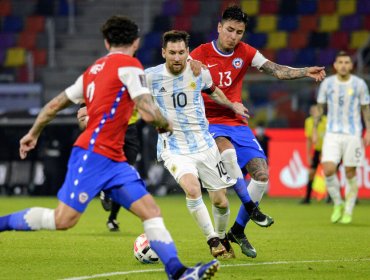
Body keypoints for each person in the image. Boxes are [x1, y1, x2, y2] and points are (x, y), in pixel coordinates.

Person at [0, 16, 220, 280]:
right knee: (63, 220)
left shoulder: (92, 71)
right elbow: (147, 109)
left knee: (150, 211)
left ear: (106, 42)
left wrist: (33, 133)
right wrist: (164, 123)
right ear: (136, 41)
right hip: (92, 155)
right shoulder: (131, 66)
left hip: (115, 159)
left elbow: (55, 104)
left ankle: (178, 272)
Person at [190, 5, 326, 258]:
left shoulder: (246, 52)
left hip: (237, 123)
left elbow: (276, 70)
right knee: (228, 155)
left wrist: (305, 71)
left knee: (262, 174)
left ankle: (238, 231)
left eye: (239, 32)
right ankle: (252, 210)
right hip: (209, 123)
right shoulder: (200, 54)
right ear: (219, 28)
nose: (234, 36)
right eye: (229, 30)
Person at [145, 30, 273, 259]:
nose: (176, 58)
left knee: (220, 201)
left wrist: (233, 105)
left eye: (181, 52)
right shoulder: (150, 76)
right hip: (174, 147)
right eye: (172, 53)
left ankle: (222, 235)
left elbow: (214, 92)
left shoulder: (199, 72)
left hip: (204, 144)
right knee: (192, 189)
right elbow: (119, 90)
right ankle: (213, 240)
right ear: (164, 52)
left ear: (187, 53)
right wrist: (88, 106)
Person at [316, 51, 370, 224]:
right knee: (329, 169)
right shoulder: (327, 84)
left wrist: (368, 130)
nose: (344, 65)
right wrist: (316, 129)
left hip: (353, 134)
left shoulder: (359, 84)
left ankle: (348, 209)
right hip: (332, 133)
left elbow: (365, 109)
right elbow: (320, 107)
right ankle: (338, 203)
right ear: (335, 65)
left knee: (350, 172)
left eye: (347, 62)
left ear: (351, 65)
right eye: (340, 62)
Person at [78, 106, 140, 232]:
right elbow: (83, 109)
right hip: (111, 127)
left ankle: (112, 217)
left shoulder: (138, 86)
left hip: (130, 129)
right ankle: (105, 190)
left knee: (124, 174)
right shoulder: (104, 87)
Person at [300, 104, 327, 204]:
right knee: (311, 173)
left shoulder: (326, 120)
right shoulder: (309, 122)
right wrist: (308, 154)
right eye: (312, 110)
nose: (314, 112)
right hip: (317, 150)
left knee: (330, 173)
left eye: (316, 110)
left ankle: (330, 198)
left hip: (327, 150)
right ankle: (307, 198)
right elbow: (309, 139)